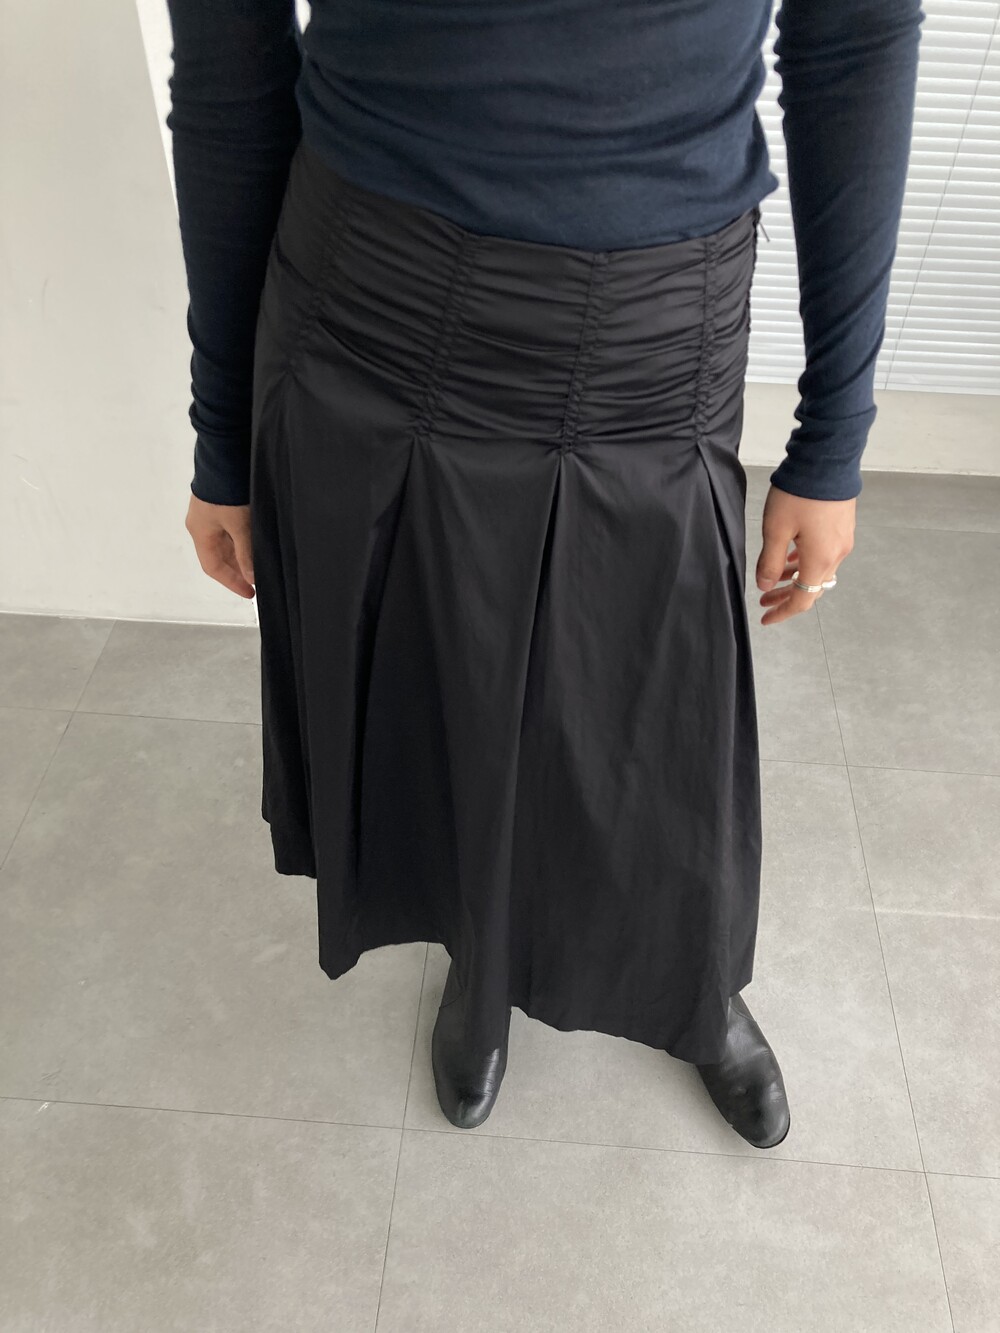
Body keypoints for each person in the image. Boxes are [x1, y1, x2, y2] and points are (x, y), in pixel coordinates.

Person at [165, 0, 923, 1149]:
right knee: (445, 688)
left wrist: (835, 437)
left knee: (658, 711)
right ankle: (483, 959)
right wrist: (222, 433)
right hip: (371, 308)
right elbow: (229, 67)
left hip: (654, 324)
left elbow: (855, 38)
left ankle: (694, 980)